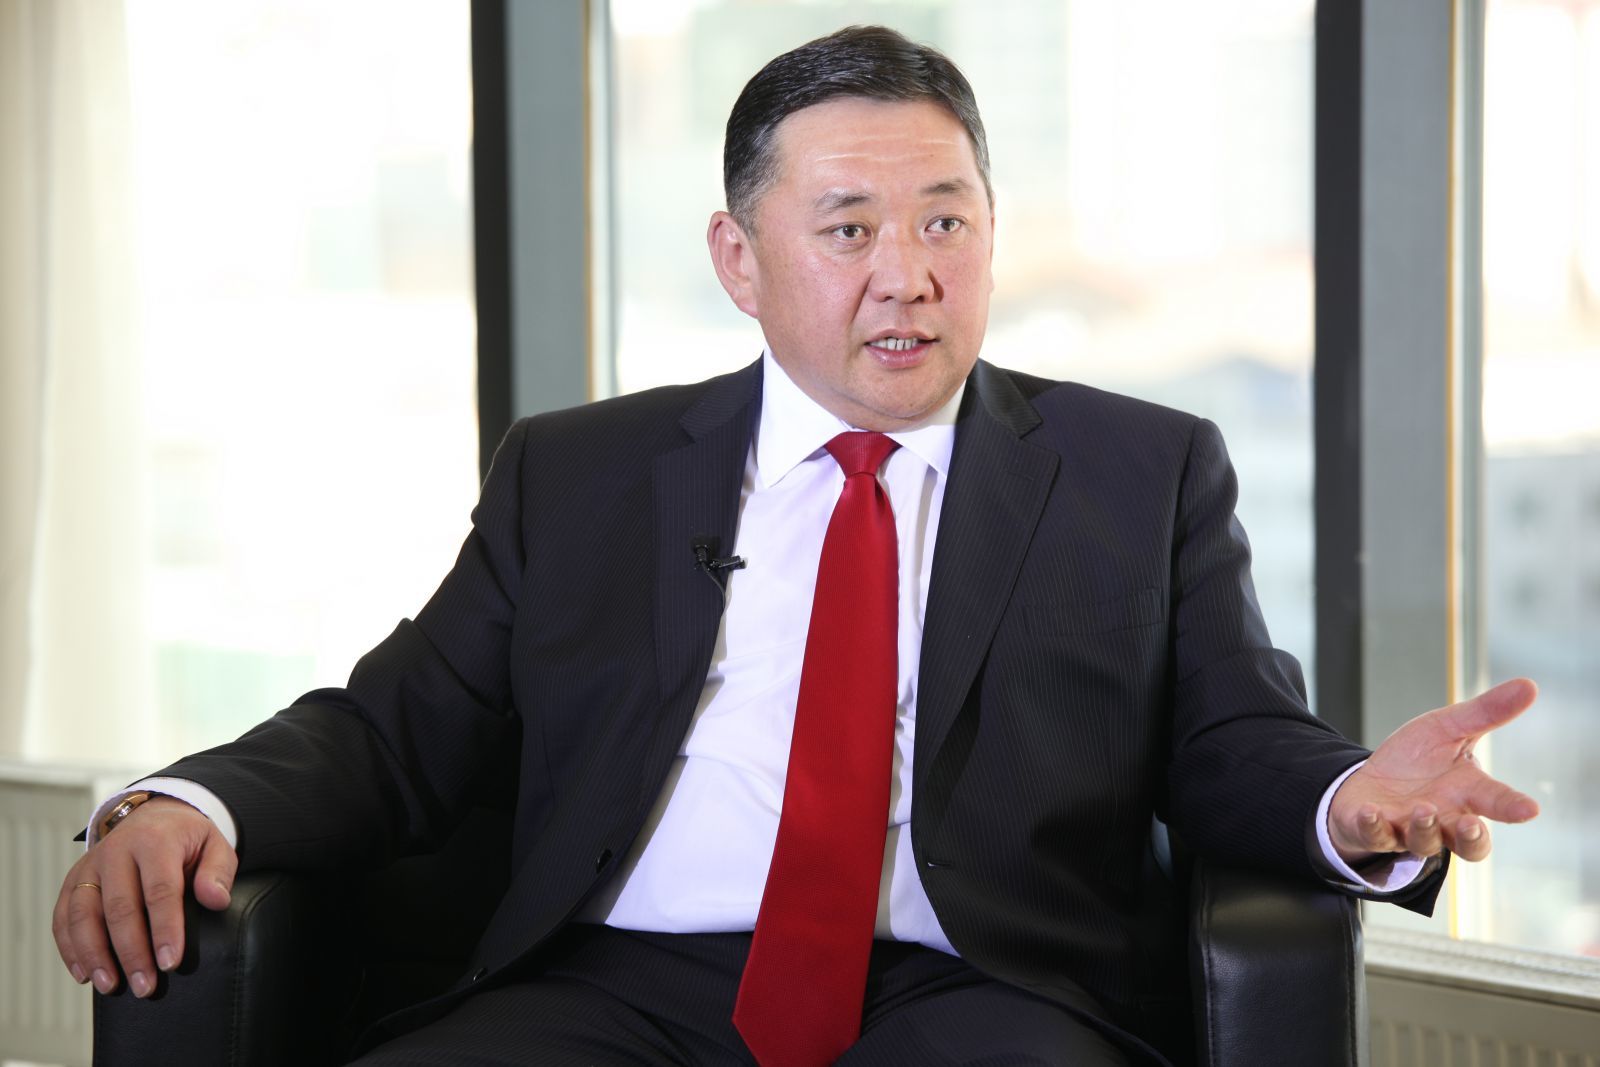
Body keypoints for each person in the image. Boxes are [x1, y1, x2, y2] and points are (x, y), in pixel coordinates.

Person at [54, 25, 1539, 1067]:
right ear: (739, 260)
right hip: (611, 988)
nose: (908, 277)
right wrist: (195, 801)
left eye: (945, 222)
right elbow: (397, 731)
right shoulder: (581, 474)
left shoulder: (1138, 471)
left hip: (982, 988)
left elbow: (1230, 736)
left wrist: (1351, 800)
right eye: (847, 229)